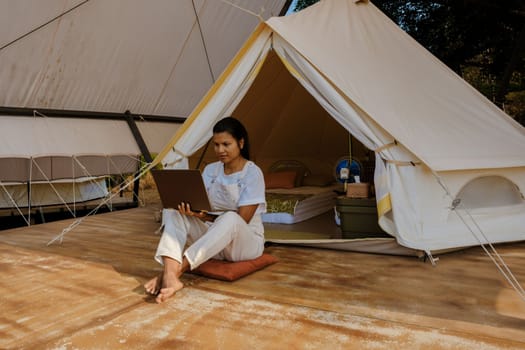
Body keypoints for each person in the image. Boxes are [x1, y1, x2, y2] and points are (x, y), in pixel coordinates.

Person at [144, 116, 266, 303]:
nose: (220, 150)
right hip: (214, 242)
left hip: (244, 244)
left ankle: (174, 272)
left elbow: (242, 220)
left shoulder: (252, 173)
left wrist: (203, 216)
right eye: (216, 145)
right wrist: (194, 213)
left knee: (231, 218)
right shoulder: (211, 170)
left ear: (241, 143)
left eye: (226, 144)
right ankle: (170, 274)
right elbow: (202, 206)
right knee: (172, 211)